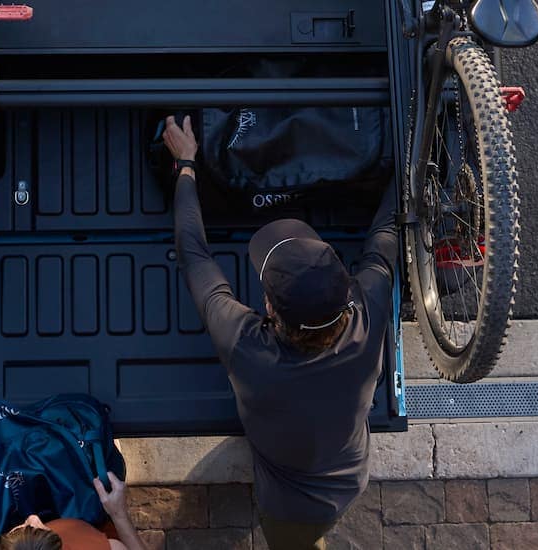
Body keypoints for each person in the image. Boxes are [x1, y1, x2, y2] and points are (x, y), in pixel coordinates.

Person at [161, 115, 398, 550]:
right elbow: (387, 232)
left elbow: (195, 254)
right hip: (343, 481)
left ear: (270, 308)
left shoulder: (252, 352)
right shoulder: (364, 320)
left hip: (294, 509)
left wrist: (187, 164)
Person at [0, 471, 148, 550]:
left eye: (22, 529)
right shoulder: (107, 548)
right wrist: (118, 512)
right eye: (40, 530)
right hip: (88, 520)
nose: (33, 518)